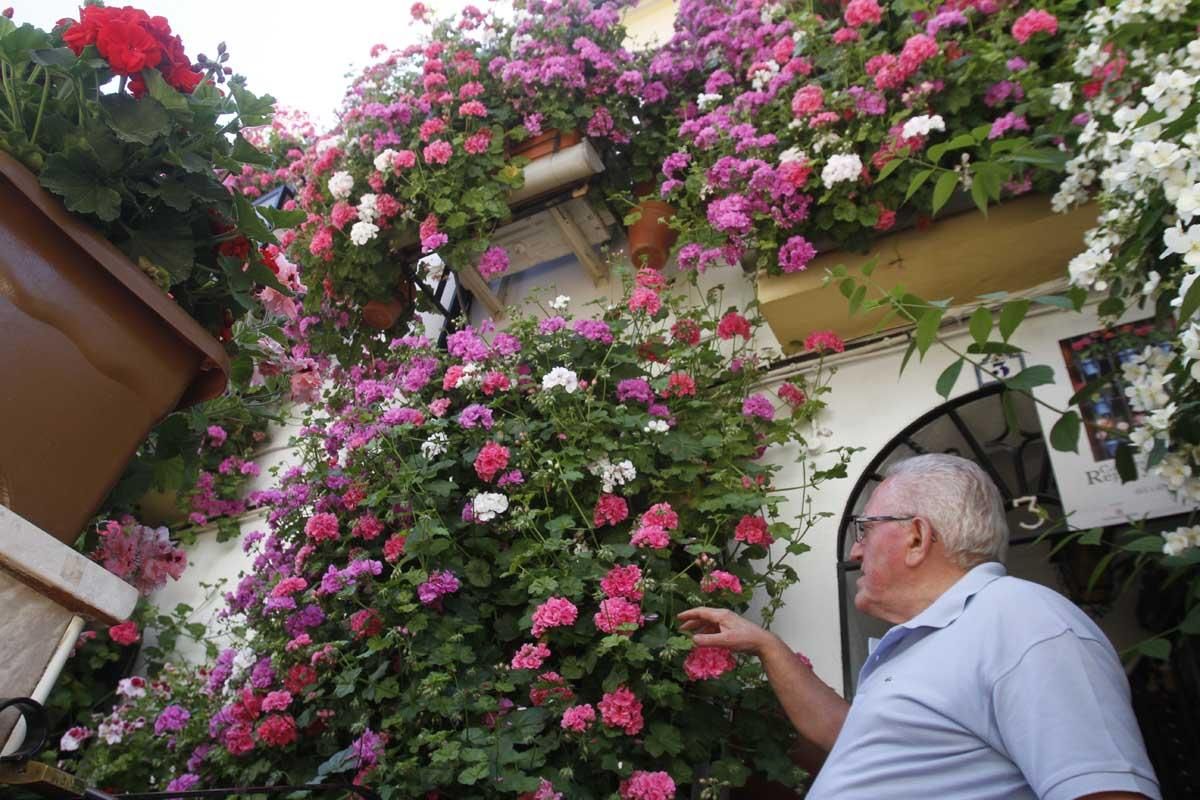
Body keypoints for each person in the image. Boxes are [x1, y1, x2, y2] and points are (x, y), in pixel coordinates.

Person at [679, 453, 1161, 800]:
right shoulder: (925, 642)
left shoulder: (1024, 620)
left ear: (916, 537)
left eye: (865, 530)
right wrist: (768, 647)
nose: (855, 551)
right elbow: (847, 736)